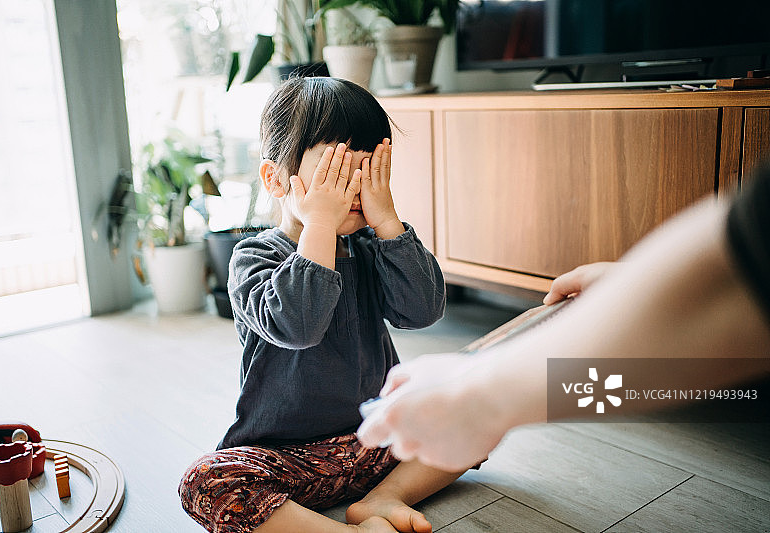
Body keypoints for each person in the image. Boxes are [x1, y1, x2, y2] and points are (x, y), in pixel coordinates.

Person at [179, 77, 464, 533]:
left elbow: (422, 311)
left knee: (476, 404)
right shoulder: (253, 257)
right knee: (205, 481)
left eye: (366, 170)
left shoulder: (373, 245)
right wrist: (320, 225)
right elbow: (298, 325)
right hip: (286, 458)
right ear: (275, 179)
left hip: (376, 438)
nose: (351, 188)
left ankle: (383, 501)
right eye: (334, 172)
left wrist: (388, 220)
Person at [357, 165, 770, 473]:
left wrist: (485, 397)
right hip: (309, 451)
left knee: (448, 443)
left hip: (387, 445)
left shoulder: (378, 245)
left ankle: (390, 494)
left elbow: (734, 286)